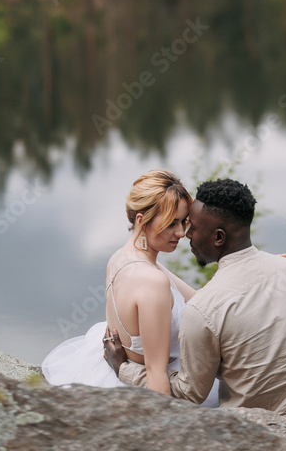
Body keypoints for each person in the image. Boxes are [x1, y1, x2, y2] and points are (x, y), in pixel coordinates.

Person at [104, 178, 286, 414]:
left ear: (218, 238)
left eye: (190, 226)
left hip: (255, 427)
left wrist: (124, 369)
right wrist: (264, 272)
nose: (186, 235)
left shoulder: (203, 310)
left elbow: (188, 394)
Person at [41, 169, 220, 405]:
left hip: (114, 371)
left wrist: (247, 270)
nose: (181, 233)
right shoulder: (152, 281)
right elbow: (156, 373)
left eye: (183, 221)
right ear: (141, 220)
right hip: (149, 388)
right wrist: (165, 432)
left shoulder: (121, 258)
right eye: (171, 223)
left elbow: (200, 300)